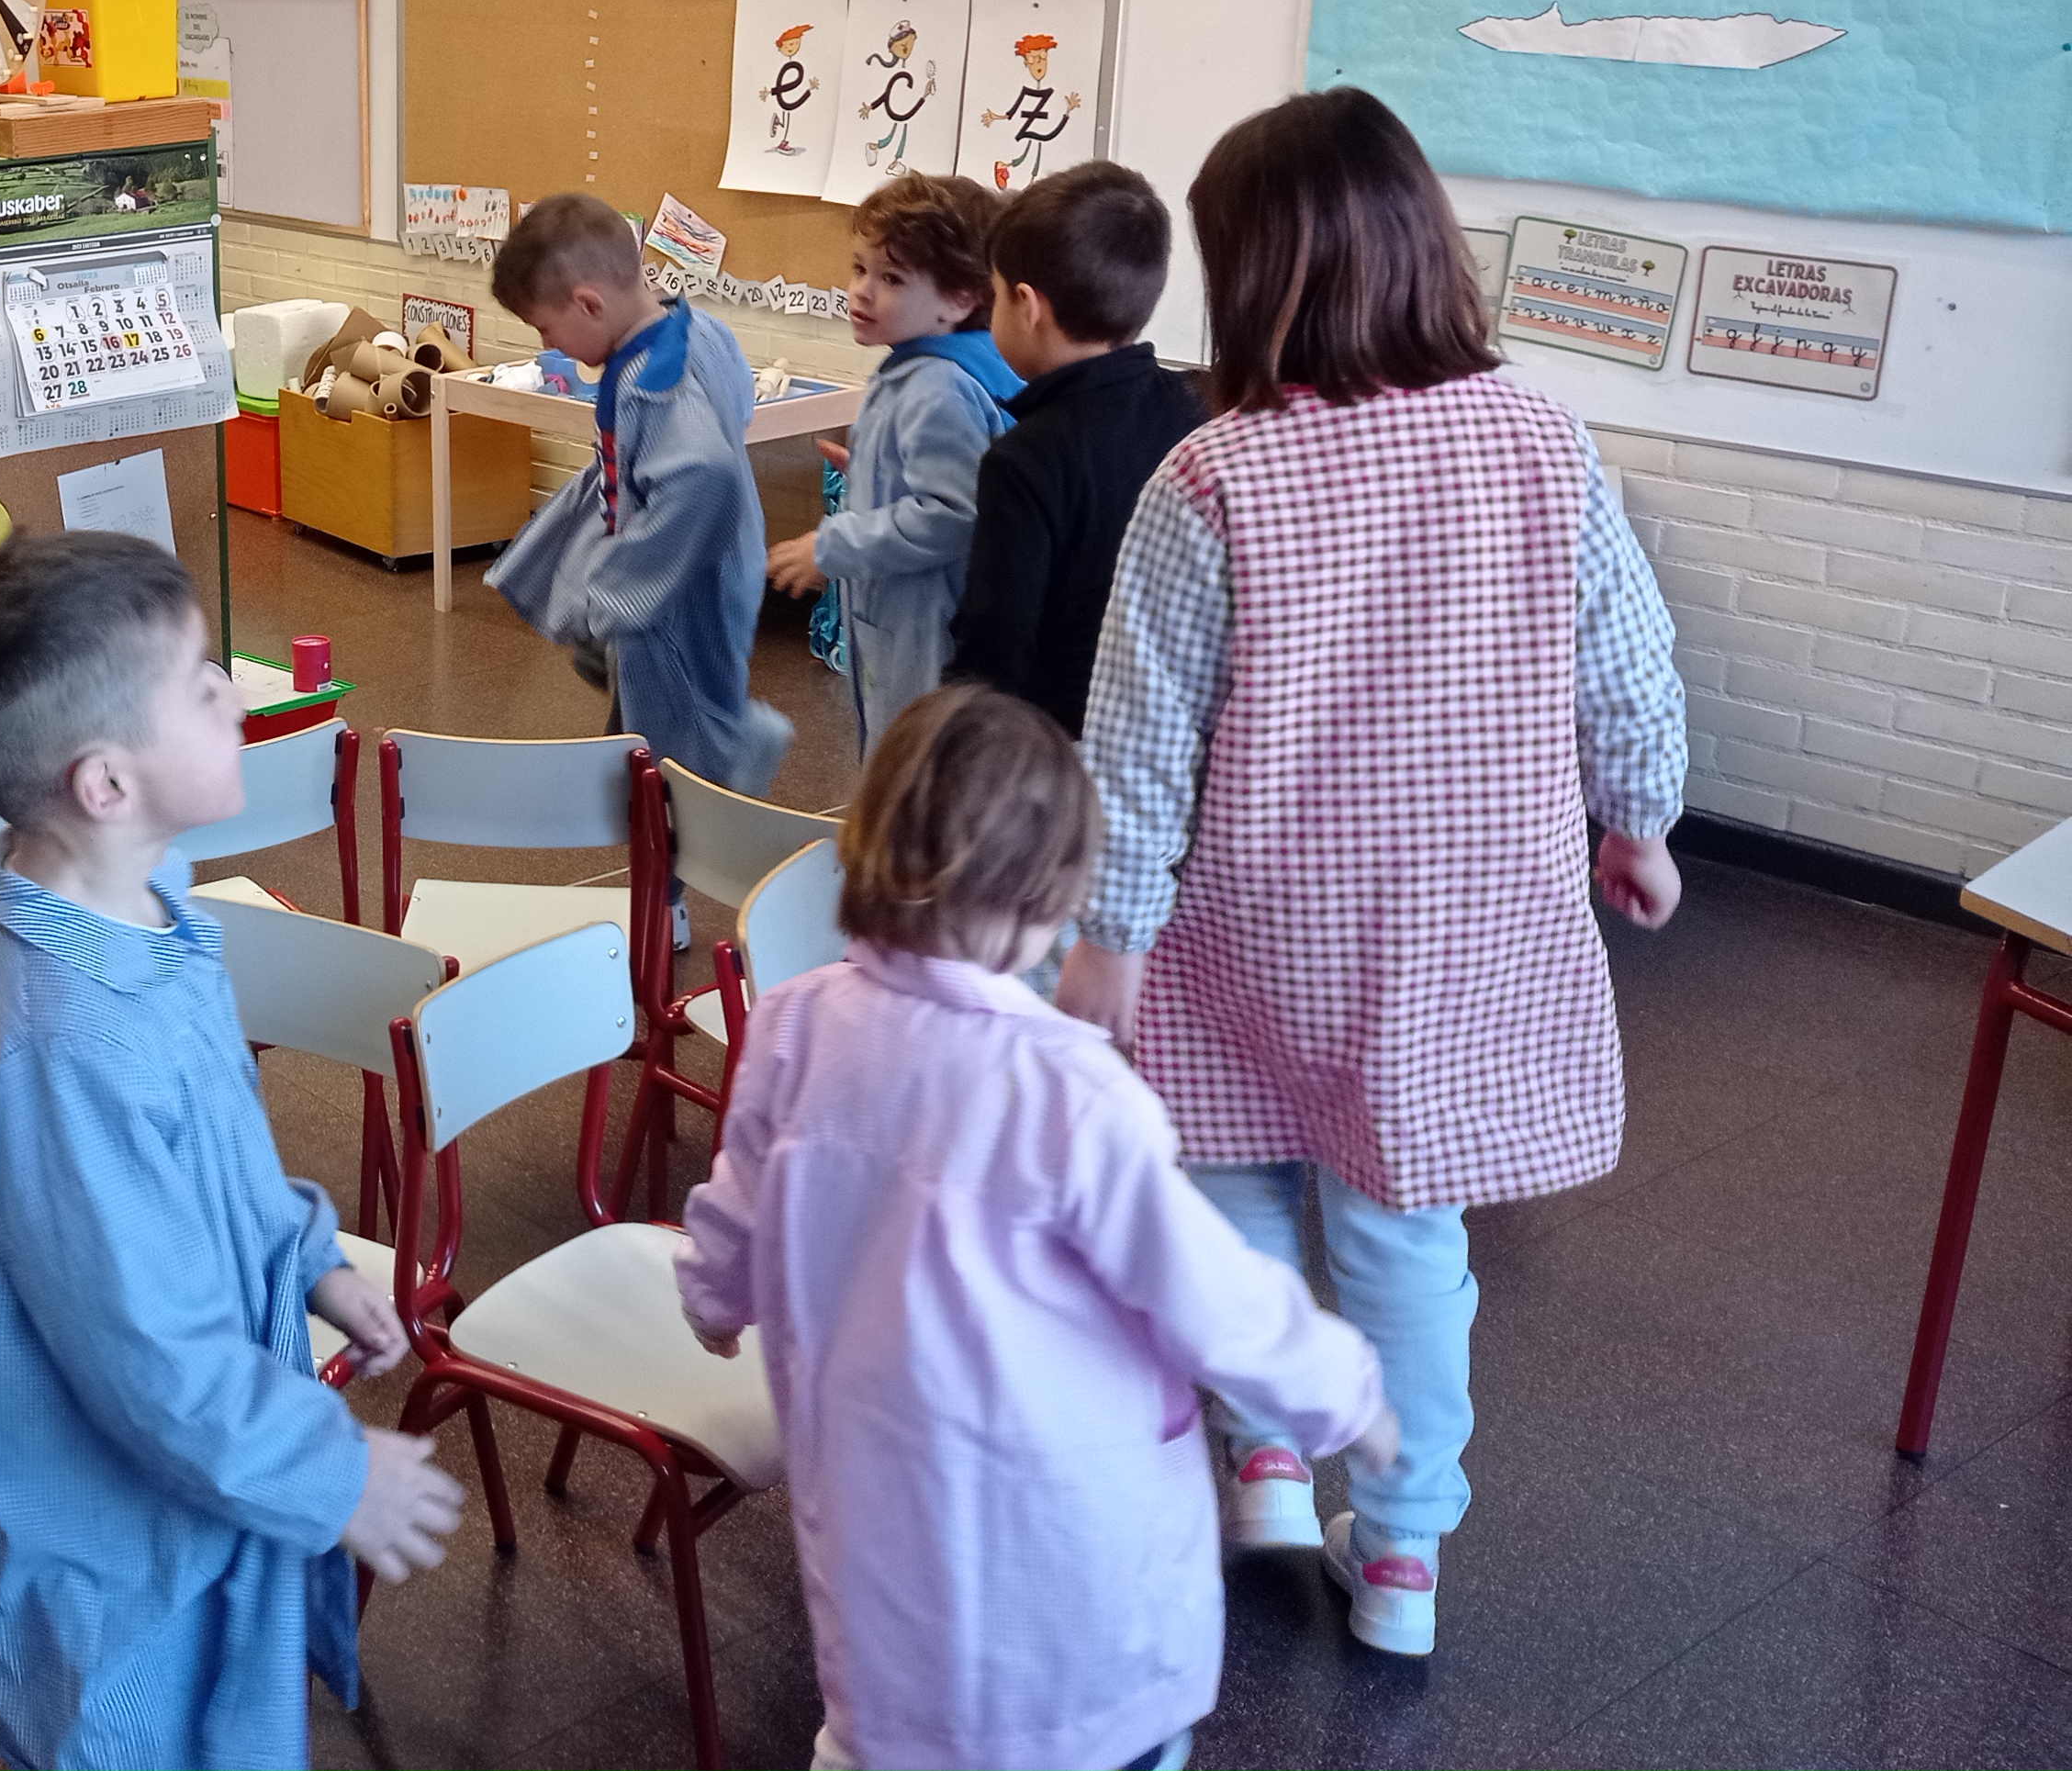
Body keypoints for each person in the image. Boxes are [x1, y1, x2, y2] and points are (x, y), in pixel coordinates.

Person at [1060, 89, 1688, 1659]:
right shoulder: (1541, 435)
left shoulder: (1211, 476)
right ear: (1424, 245)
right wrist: (1640, 819)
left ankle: (1267, 1456)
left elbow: (1135, 743)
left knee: (1229, 1176)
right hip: (1465, 921)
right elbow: (1626, 662)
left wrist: (1110, 937)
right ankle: (1401, 1554)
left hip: (1258, 918)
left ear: (1248, 272)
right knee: (1408, 1232)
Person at [677, 685, 1396, 1771]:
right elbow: (1208, 1290)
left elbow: (740, 1195)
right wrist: (1342, 1393)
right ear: (1047, 899)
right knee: (1075, 1715)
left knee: (895, 1696)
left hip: (879, 1515)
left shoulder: (794, 1024)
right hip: (1067, 1559)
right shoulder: (1068, 1089)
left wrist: (711, 1292)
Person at [0, 531, 465, 1770]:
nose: (236, 700)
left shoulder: (148, 906)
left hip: (201, 1486)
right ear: (107, 783)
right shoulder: (58, 1046)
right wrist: (332, 1471)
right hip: (106, 1572)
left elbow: (222, 1145)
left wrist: (310, 1262)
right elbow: (148, 1357)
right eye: (205, 686)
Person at [484, 191, 793, 814]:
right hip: (718, 557)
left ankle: (734, 756)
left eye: (545, 328)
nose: (550, 343)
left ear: (589, 304)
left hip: (683, 586)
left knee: (677, 731)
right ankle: (659, 778)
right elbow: (737, 405)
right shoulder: (700, 328)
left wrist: (625, 593)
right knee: (655, 700)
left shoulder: (653, 381)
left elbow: (703, 472)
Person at [767, 172, 1023, 757]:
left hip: (926, 630)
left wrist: (831, 546)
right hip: (912, 619)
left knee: (913, 766)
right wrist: (874, 476)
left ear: (959, 299)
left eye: (892, 278)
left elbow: (953, 514)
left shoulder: (938, 386)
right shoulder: (928, 368)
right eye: (860, 268)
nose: (861, 291)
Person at [946, 161, 1205, 737]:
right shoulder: (1194, 410)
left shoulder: (1026, 458)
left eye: (994, 296)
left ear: (1027, 306)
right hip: (1175, 733)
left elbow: (995, 643)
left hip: (1060, 744)